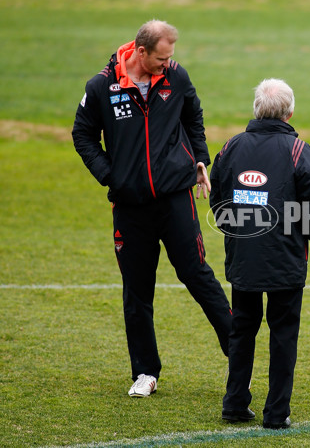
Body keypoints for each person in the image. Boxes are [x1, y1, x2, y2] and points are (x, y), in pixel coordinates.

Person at [72, 20, 232, 397]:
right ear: (141, 52)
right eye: (161, 58)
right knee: (137, 290)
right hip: (130, 207)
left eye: (170, 57)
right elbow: (82, 135)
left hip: (176, 197)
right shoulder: (101, 86)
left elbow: (193, 117)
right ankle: (145, 372)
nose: (168, 64)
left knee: (196, 273)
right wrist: (111, 176)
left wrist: (199, 160)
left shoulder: (175, 77)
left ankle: (237, 347)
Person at [210, 78, 310, 429]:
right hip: (285, 260)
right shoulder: (298, 151)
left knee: (242, 330)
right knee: (283, 334)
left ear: (256, 110)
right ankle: (276, 414)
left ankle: (234, 403)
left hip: (244, 258)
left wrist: (238, 232)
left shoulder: (231, 146)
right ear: (290, 112)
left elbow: (217, 199)